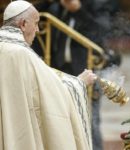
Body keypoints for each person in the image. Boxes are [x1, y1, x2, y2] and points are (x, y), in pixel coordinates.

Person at [0, 1, 97, 149]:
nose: (38, 30)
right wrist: (79, 82)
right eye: (36, 23)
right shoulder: (22, 54)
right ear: (23, 24)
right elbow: (52, 92)